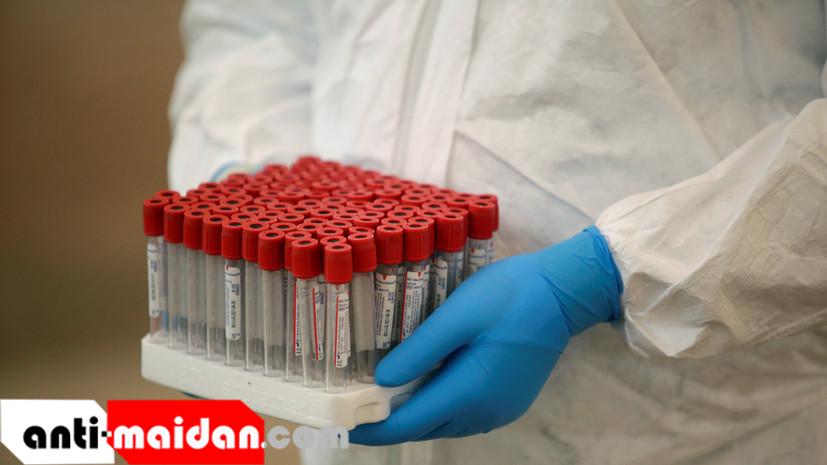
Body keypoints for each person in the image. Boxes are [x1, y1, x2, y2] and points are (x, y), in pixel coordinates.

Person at [167, 1, 827, 463]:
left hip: (677, 416)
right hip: (335, 371)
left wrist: (611, 272)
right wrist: (247, 192)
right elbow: (256, 25)